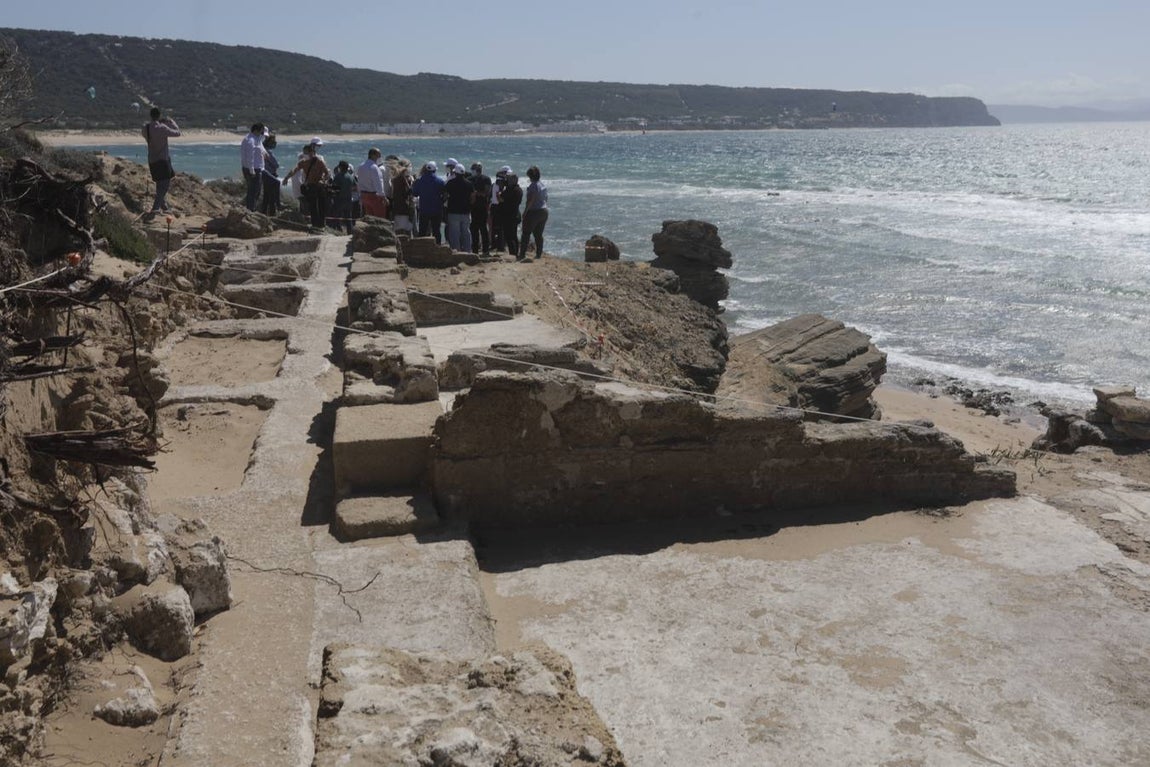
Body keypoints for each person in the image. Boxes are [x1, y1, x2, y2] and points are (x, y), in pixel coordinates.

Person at [282, 144, 331, 231]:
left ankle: (322, 224)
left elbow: (327, 173)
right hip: (311, 186)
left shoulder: (320, 162)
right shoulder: (303, 162)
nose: (306, 154)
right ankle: (315, 224)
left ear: (313, 152)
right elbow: (294, 170)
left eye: (308, 152)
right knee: (313, 206)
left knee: (321, 205)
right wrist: (286, 178)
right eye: (305, 152)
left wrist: (323, 180)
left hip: (320, 186)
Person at [141, 107, 180, 215]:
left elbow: (146, 133)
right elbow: (177, 133)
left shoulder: (146, 128)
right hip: (163, 160)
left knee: (159, 184)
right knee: (165, 185)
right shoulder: (162, 128)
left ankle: (164, 207)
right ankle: (156, 208)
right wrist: (171, 122)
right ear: (159, 115)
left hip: (152, 160)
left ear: (151, 115)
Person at [519, 165, 549, 261]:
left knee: (526, 233)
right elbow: (546, 198)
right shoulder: (542, 185)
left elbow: (531, 200)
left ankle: (522, 254)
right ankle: (539, 254)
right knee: (538, 234)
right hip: (544, 211)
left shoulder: (533, 186)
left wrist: (525, 212)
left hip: (534, 211)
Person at [411, 161, 446, 242]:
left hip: (424, 209)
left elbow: (415, 194)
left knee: (422, 231)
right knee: (436, 231)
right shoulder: (440, 181)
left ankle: (422, 249)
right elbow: (445, 195)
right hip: (437, 209)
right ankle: (437, 249)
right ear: (435, 170)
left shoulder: (419, 180)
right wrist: (441, 202)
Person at [443, 164, 473, 252]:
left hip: (453, 211)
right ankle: (468, 251)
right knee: (466, 233)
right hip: (465, 211)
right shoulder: (469, 184)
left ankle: (456, 251)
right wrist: (470, 205)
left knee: (454, 233)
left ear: (455, 173)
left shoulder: (450, 183)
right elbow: (472, 196)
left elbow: (445, 195)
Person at [240, 123, 268, 211]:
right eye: (261, 131)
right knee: (253, 191)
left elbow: (261, 146)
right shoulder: (250, 140)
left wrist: (264, 152)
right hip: (253, 169)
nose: (262, 133)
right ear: (257, 130)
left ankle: (251, 208)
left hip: (257, 168)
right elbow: (250, 156)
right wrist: (252, 170)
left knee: (256, 191)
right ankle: (250, 209)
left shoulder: (257, 138)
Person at [468, 162, 493, 255]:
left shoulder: (485, 179)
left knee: (482, 228)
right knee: (474, 229)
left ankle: (485, 249)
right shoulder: (470, 179)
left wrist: (477, 193)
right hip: (474, 207)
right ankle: (475, 249)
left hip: (482, 206)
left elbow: (487, 193)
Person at [357, 148, 388, 219]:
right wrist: (383, 197)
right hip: (374, 196)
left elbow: (359, 181)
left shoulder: (361, 166)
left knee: (370, 218)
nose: (380, 157)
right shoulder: (374, 167)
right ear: (373, 155)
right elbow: (378, 183)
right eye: (378, 155)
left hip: (364, 195)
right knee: (380, 218)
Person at [328, 160, 356, 234]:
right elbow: (355, 187)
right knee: (348, 218)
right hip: (348, 199)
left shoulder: (338, 176)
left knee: (336, 217)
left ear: (340, 167)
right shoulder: (350, 176)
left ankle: (337, 231)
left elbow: (334, 188)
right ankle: (350, 232)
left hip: (339, 199)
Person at [389, 158, 415, 235]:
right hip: (404, 207)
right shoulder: (403, 179)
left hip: (397, 207)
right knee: (406, 231)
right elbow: (409, 192)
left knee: (398, 230)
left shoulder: (394, 179)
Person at [499, 171, 523, 256]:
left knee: (509, 236)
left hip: (509, 215)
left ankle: (512, 253)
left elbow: (500, 198)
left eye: (508, 179)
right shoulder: (519, 190)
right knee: (514, 236)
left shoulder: (510, 190)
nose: (507, 181)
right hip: (516, 214)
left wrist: (500, 191)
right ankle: (516, 253)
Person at [260, 133, 281, 216]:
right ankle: (273, 212)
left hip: (265, 174)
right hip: (270, 174)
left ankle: (264, 212)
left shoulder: (262, 149)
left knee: (266, 196)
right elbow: (276, 164)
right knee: (271, 197)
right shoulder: (268, 152)